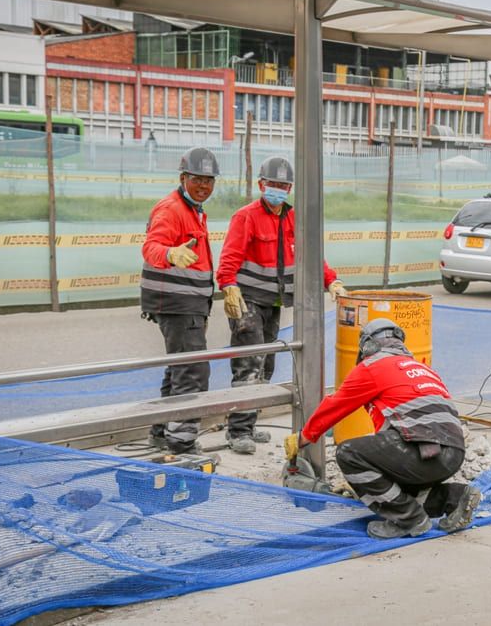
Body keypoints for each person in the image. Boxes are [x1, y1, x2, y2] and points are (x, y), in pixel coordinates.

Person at [284, 318, 481, 540]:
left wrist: (303, 437)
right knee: (397, 487)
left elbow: (335, 406)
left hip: (422, 451)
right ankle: (455, 498)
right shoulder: (422, 368)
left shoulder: (373, 367)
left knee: (349, 453)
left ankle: (409, 520)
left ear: (367, 345)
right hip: (452, 452)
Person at [217, 156, 347, 454]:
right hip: (248, 302)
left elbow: (311, 254)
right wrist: (228, 286)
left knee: (267, 365)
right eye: (273, 184)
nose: (277, 189)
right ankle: (238, 431)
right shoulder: (246, 216)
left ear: (290, 188)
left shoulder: (293, 218)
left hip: (274, 302)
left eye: (283, 185)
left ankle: (247, 425)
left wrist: (331, 281)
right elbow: (230, 256)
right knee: (249, 364)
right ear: (261, 185)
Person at [140, 147, 219, 454]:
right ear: (183, 177)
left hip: (187, 303)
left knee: (178, 369)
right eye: (198, 179)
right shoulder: (171, 209)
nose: (204, 186)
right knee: (193, 371)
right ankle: (181, 443)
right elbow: (151, 247)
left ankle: (161, 432)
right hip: (176, 303)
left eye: (209, 181)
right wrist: (170, 254)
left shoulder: (194, 209)